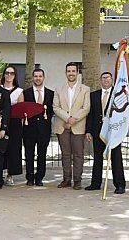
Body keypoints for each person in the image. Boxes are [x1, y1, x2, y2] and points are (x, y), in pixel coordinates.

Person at [85, 72, 126, 194]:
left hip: (113, 131)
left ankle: (120, 185)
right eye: (103, 78)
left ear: (112, 80)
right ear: (100, 80)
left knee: (116, 158)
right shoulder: (94, 95)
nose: (106, 80)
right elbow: (91, 114)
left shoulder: (118, 94)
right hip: (98, 131)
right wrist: (88, 130)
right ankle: (95, 183)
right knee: (97, 158)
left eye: (108, 78)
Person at [53, 62, 90, 190]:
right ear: (66, 73)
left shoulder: (85, 89)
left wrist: (73, 119)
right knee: (65, 154)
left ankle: (77, 180)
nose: (71, 73)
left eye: (73, 71)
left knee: (78, 154)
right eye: (69, 71)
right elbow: (55, 107)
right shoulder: (59, 89)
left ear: (77, 72)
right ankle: (66, 179)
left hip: (78, 126)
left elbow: (86, 108)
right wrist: (67, 118)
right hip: (62, 125)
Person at [22, 69, 54, 186]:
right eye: (36, 76)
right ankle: (30, 177)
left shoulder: (51, 93)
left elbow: (52, 111)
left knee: (42, 154)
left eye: (40, 76)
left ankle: (40, 177)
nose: (38, 78)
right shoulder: (26, 93)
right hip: (29, 129)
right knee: (29, 154)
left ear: (43, 77)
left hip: (44, 130)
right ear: (32, 77)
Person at [1, 65, 24, 186]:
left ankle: (10, 174)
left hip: (14, 123)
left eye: (12, 73)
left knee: (13, 149)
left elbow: (20, 108)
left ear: (15, 76)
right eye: (7, 73)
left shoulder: (19, 91)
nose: (9, 75)